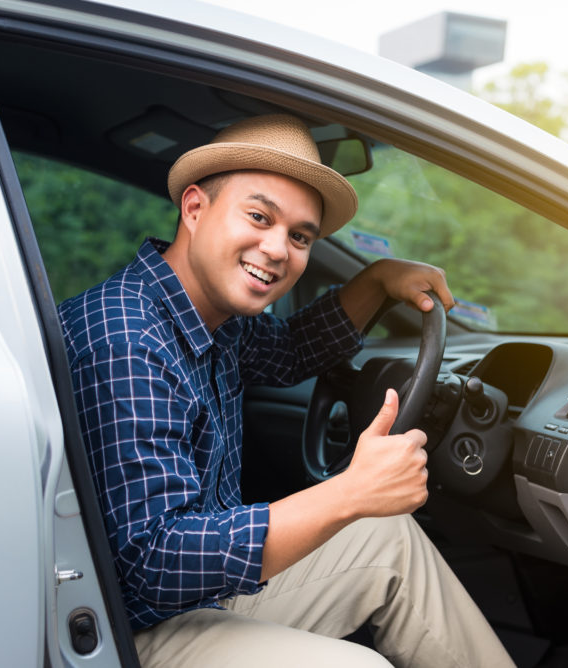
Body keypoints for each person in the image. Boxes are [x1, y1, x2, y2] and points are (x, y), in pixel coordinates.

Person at [59, 114, 514, 667]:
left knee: (388, 536)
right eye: (259, 217)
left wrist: (377, 281)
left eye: (300, 237)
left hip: (182, 599)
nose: (278, 250)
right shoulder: (128, 338)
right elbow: (152, 562)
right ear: (196, 209)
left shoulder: (207, 317)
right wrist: (349, 493)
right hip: (118, 627)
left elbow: (290, 352)